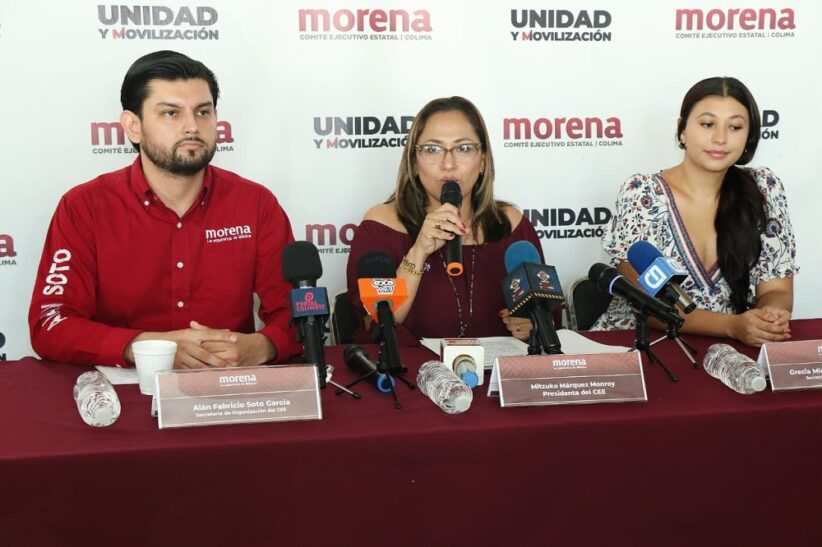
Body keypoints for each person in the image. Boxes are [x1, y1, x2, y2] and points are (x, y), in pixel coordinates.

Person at [29, 50, 301, 368]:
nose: (192, 127)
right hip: (121, 390)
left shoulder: (256, 204)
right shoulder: (84, 207)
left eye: (203, 112)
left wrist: (264, 346)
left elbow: (299, 312)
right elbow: (51, 324)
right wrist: (146, 348)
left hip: (227, 386)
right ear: (133, 126)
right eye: (171, 113)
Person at [592, 77, 797, 346]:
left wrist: (770, 316)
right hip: (639, 345)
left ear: (749, 137)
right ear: (682, 130)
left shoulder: (764, 189)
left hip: (729, 350)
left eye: (735, 127)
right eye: (708, 124)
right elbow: (648, 304)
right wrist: (731, 326)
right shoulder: (642, 193)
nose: (720, 138)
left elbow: (777, 289)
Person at [346, 96, 545, 343]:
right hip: (411, 366)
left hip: (498, 366)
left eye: (463, 148)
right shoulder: (381, 226)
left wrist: (532, 324)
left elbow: (546, 318)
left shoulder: (512, 226)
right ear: (414, 162)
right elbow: (374, 326)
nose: (448, 164)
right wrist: (418, 251)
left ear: (483, 160)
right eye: (432, 149)